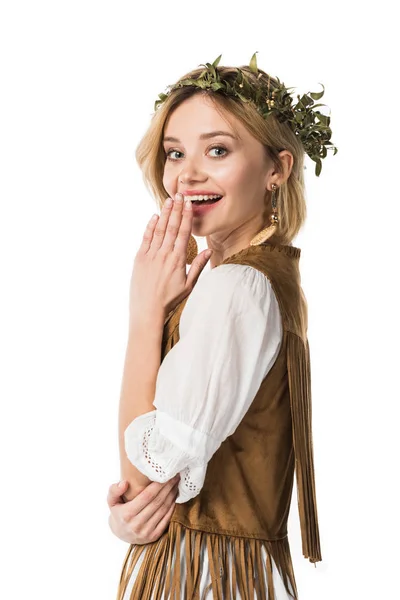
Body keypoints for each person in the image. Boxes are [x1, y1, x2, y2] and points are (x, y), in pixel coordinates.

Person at [107, 53, 337, 599]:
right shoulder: (243, 275)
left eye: (218, 150)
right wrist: (128, 521)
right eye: (174, 153)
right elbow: (147, 499)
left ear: (277, 169)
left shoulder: (240, 288)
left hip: (210, 578)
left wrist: (144, 316)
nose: (187, 174)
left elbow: (149, 472)